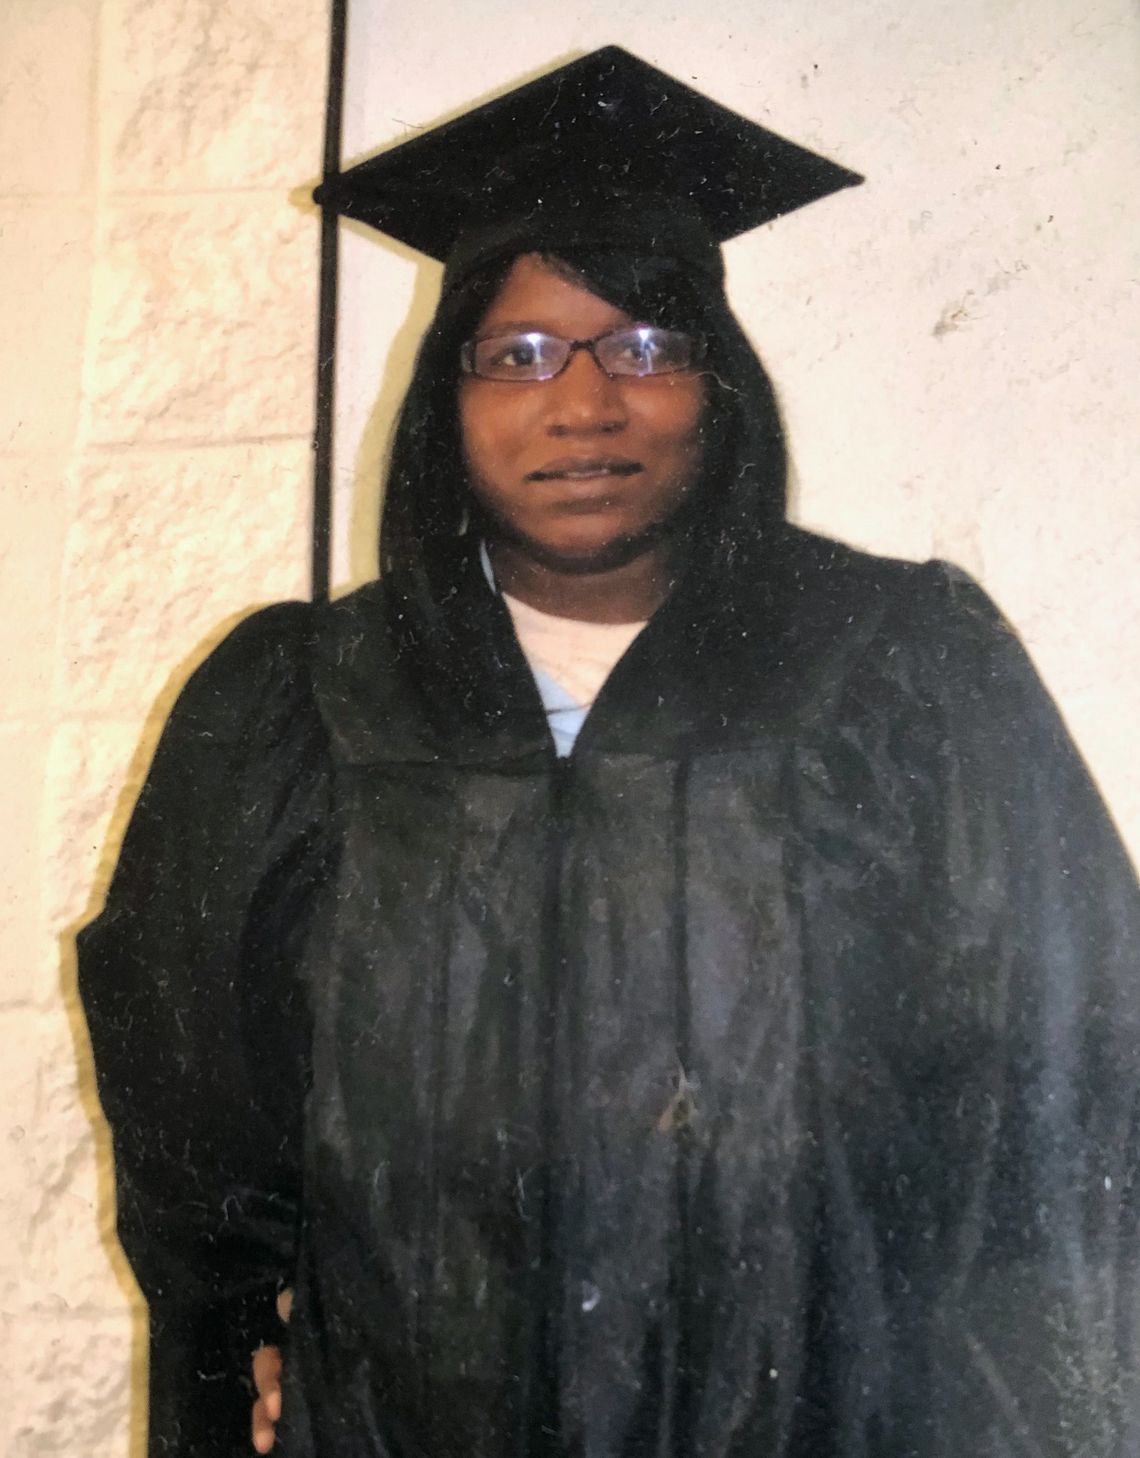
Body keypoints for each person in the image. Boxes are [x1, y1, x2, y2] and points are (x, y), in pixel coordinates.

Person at [78, 47, 1140, 1458]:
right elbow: (193, 1124)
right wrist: (252, 1352)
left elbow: (1064, 1107)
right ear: (442, 403)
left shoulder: (902, 672)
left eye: (643, 344)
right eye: (516, 353)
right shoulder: (300, 704)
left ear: (721, 383)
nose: (583, 405)